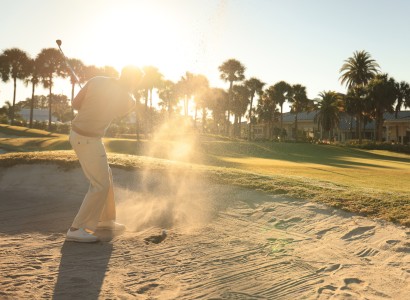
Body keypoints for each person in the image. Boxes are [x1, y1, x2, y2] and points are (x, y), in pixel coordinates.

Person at [66, 65, 144, 243]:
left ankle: (105, 220)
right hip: (86, 139)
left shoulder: (96, 80)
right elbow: (120, 109)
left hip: (84, 136)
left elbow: (76, 104)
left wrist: (92, 102)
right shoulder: (128, 99)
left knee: (105, 177)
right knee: (100, 184)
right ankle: (76, 228)